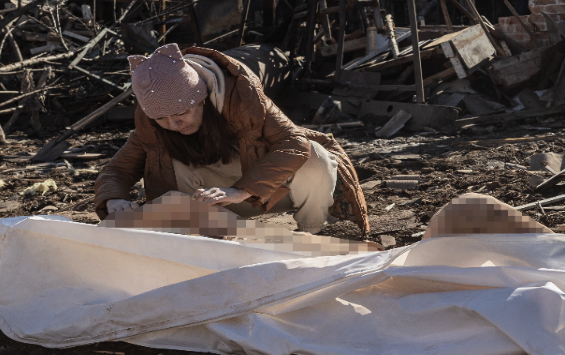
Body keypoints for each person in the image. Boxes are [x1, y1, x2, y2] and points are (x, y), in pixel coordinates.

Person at [95, 43, 369, 234]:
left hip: (263, 193)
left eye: (181, 113)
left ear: (202, 98)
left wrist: (241, 191)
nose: (173, 124)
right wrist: (112, 201)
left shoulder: (244, 98)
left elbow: (294, 143)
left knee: (315, 154)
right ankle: (222, 237)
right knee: (173, 170)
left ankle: (313, 232)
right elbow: (117, 170)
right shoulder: (151, 124)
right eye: (161, 119)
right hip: (214, 211)